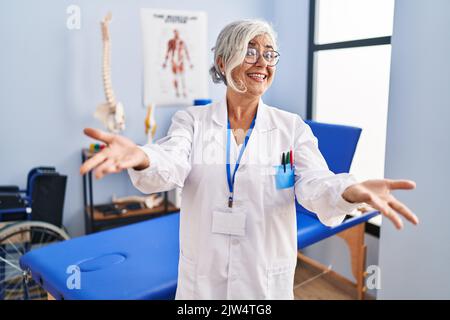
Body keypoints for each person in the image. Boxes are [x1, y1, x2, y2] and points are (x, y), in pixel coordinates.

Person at [80, 20, 419, 300]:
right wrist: (141, 156)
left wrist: (350, 189)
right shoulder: (192, 122)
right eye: (251, 51)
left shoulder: (291, 129)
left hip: (265, 279)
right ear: (223, 62)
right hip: (204, 281)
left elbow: (315, 184)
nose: (263, 62)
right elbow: (169, 160)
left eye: (270, 54)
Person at [162, 29, 193, 98]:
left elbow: (186, 52)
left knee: (182, 77)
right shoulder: (171, 42)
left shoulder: (182, 42)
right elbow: (168, 52)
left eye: (177, 33)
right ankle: (177, 92)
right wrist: (165, 62)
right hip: (174, 61)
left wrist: (190, 63)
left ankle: (184, 91)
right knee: (175, 77)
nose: (177, 35)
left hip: (180, 60)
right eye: (175, 33)